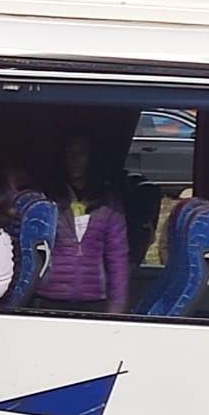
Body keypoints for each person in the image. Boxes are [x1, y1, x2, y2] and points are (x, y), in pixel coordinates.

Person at [35, 132, 128, 315]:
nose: (75, 159)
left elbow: (117, 257)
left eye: (82, 153)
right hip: (48, 299)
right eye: (70, 153)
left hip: (94, 301)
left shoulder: (109, 204)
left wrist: (117, 306)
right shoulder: (46, 200)